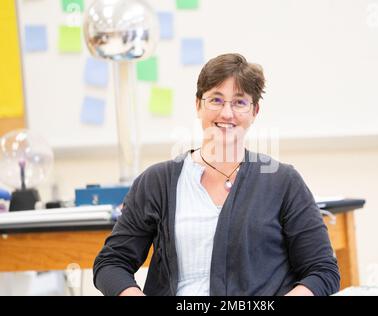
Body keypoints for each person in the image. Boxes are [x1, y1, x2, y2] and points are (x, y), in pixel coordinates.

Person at [93, 53, 340, 296]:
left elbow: (322, 271)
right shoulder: (157, 182)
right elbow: (111, 263)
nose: (227, 113)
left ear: (255, 112)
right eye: (216, 100)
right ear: (198, 104)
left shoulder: (283, 182)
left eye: (240, 102)